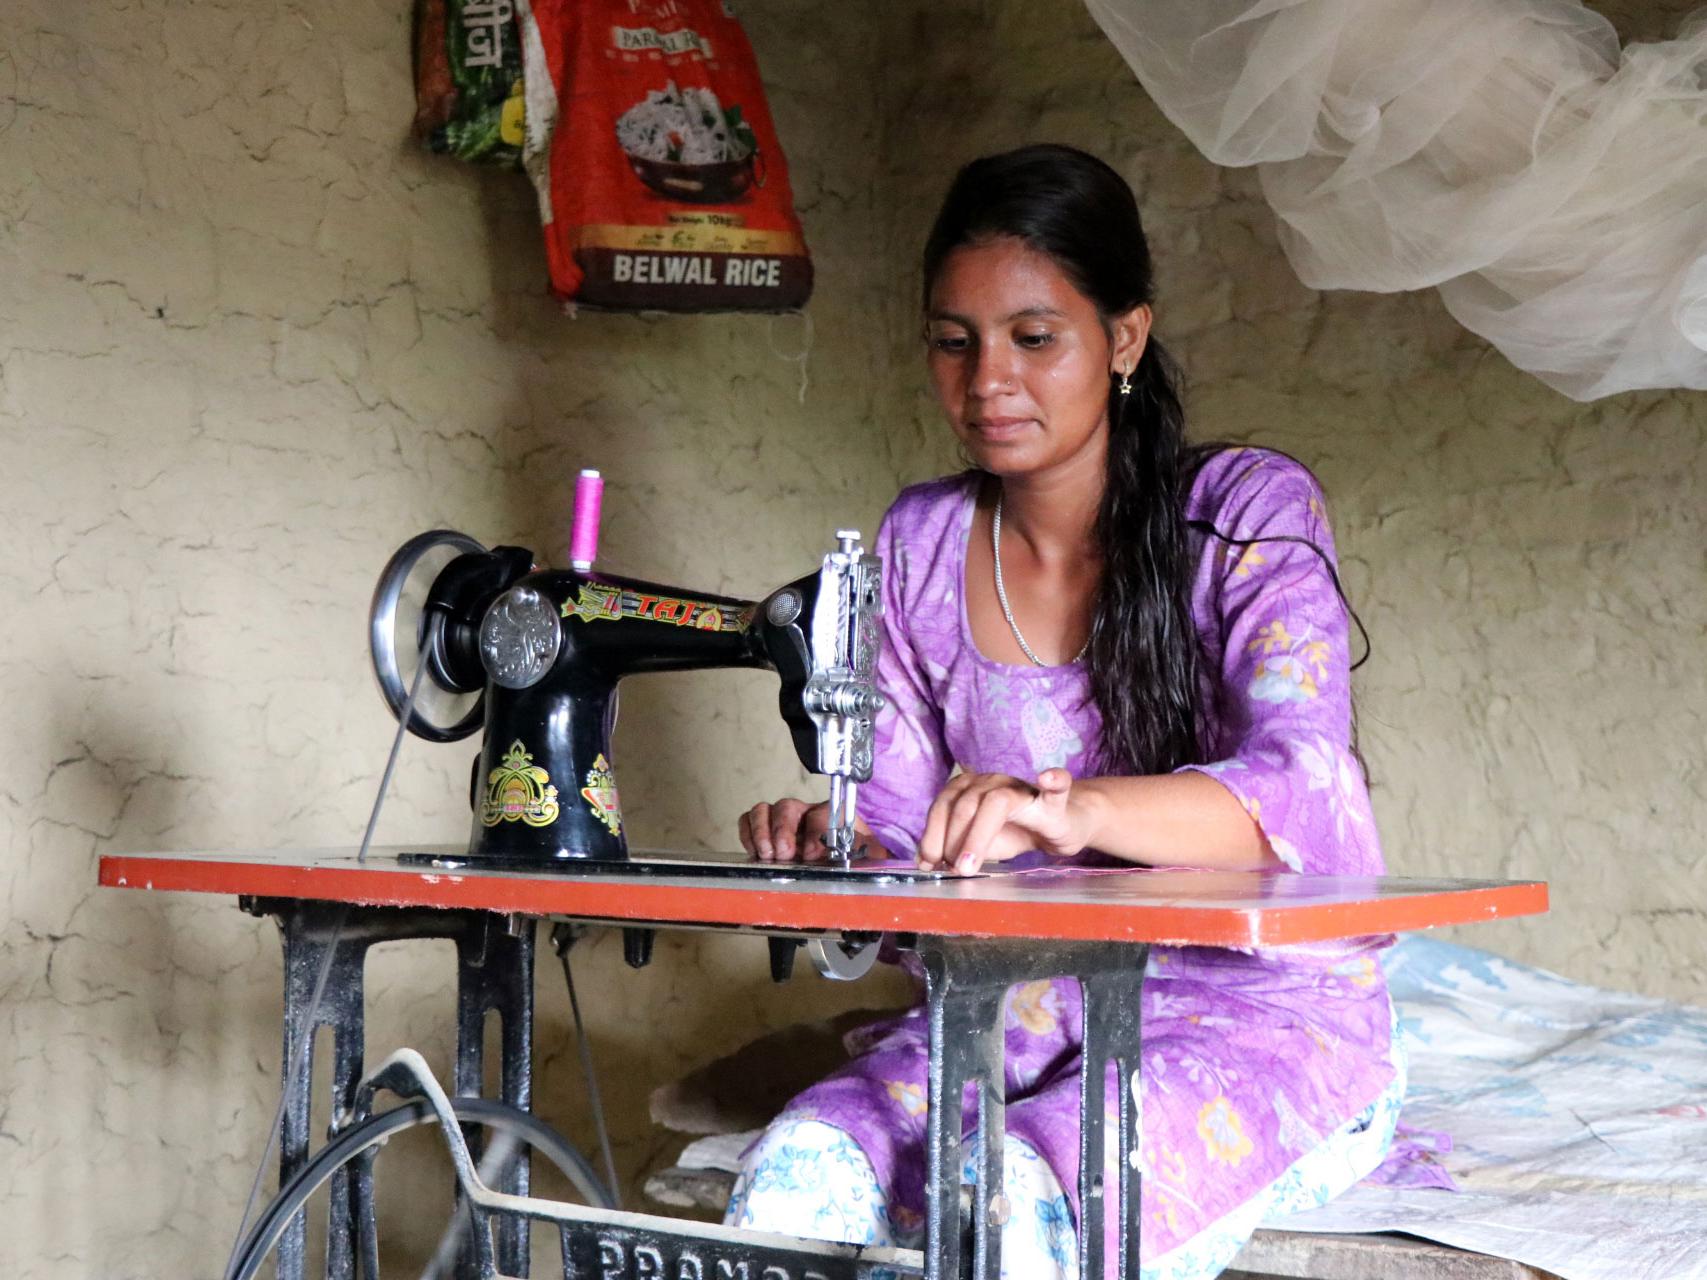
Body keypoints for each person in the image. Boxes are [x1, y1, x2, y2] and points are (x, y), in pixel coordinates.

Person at [726, 143, 1407, 1280]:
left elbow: (1304, 782)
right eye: (955, 341)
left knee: (1026, 1200)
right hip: (1019, 995)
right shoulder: (924, 543)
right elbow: (909, 848)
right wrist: (836, 856)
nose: (989, 379)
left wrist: (1061, 810)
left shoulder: (1242, 514)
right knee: (799, 1169)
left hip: (1254, 1005)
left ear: (1123, 338)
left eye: (1034, 338)